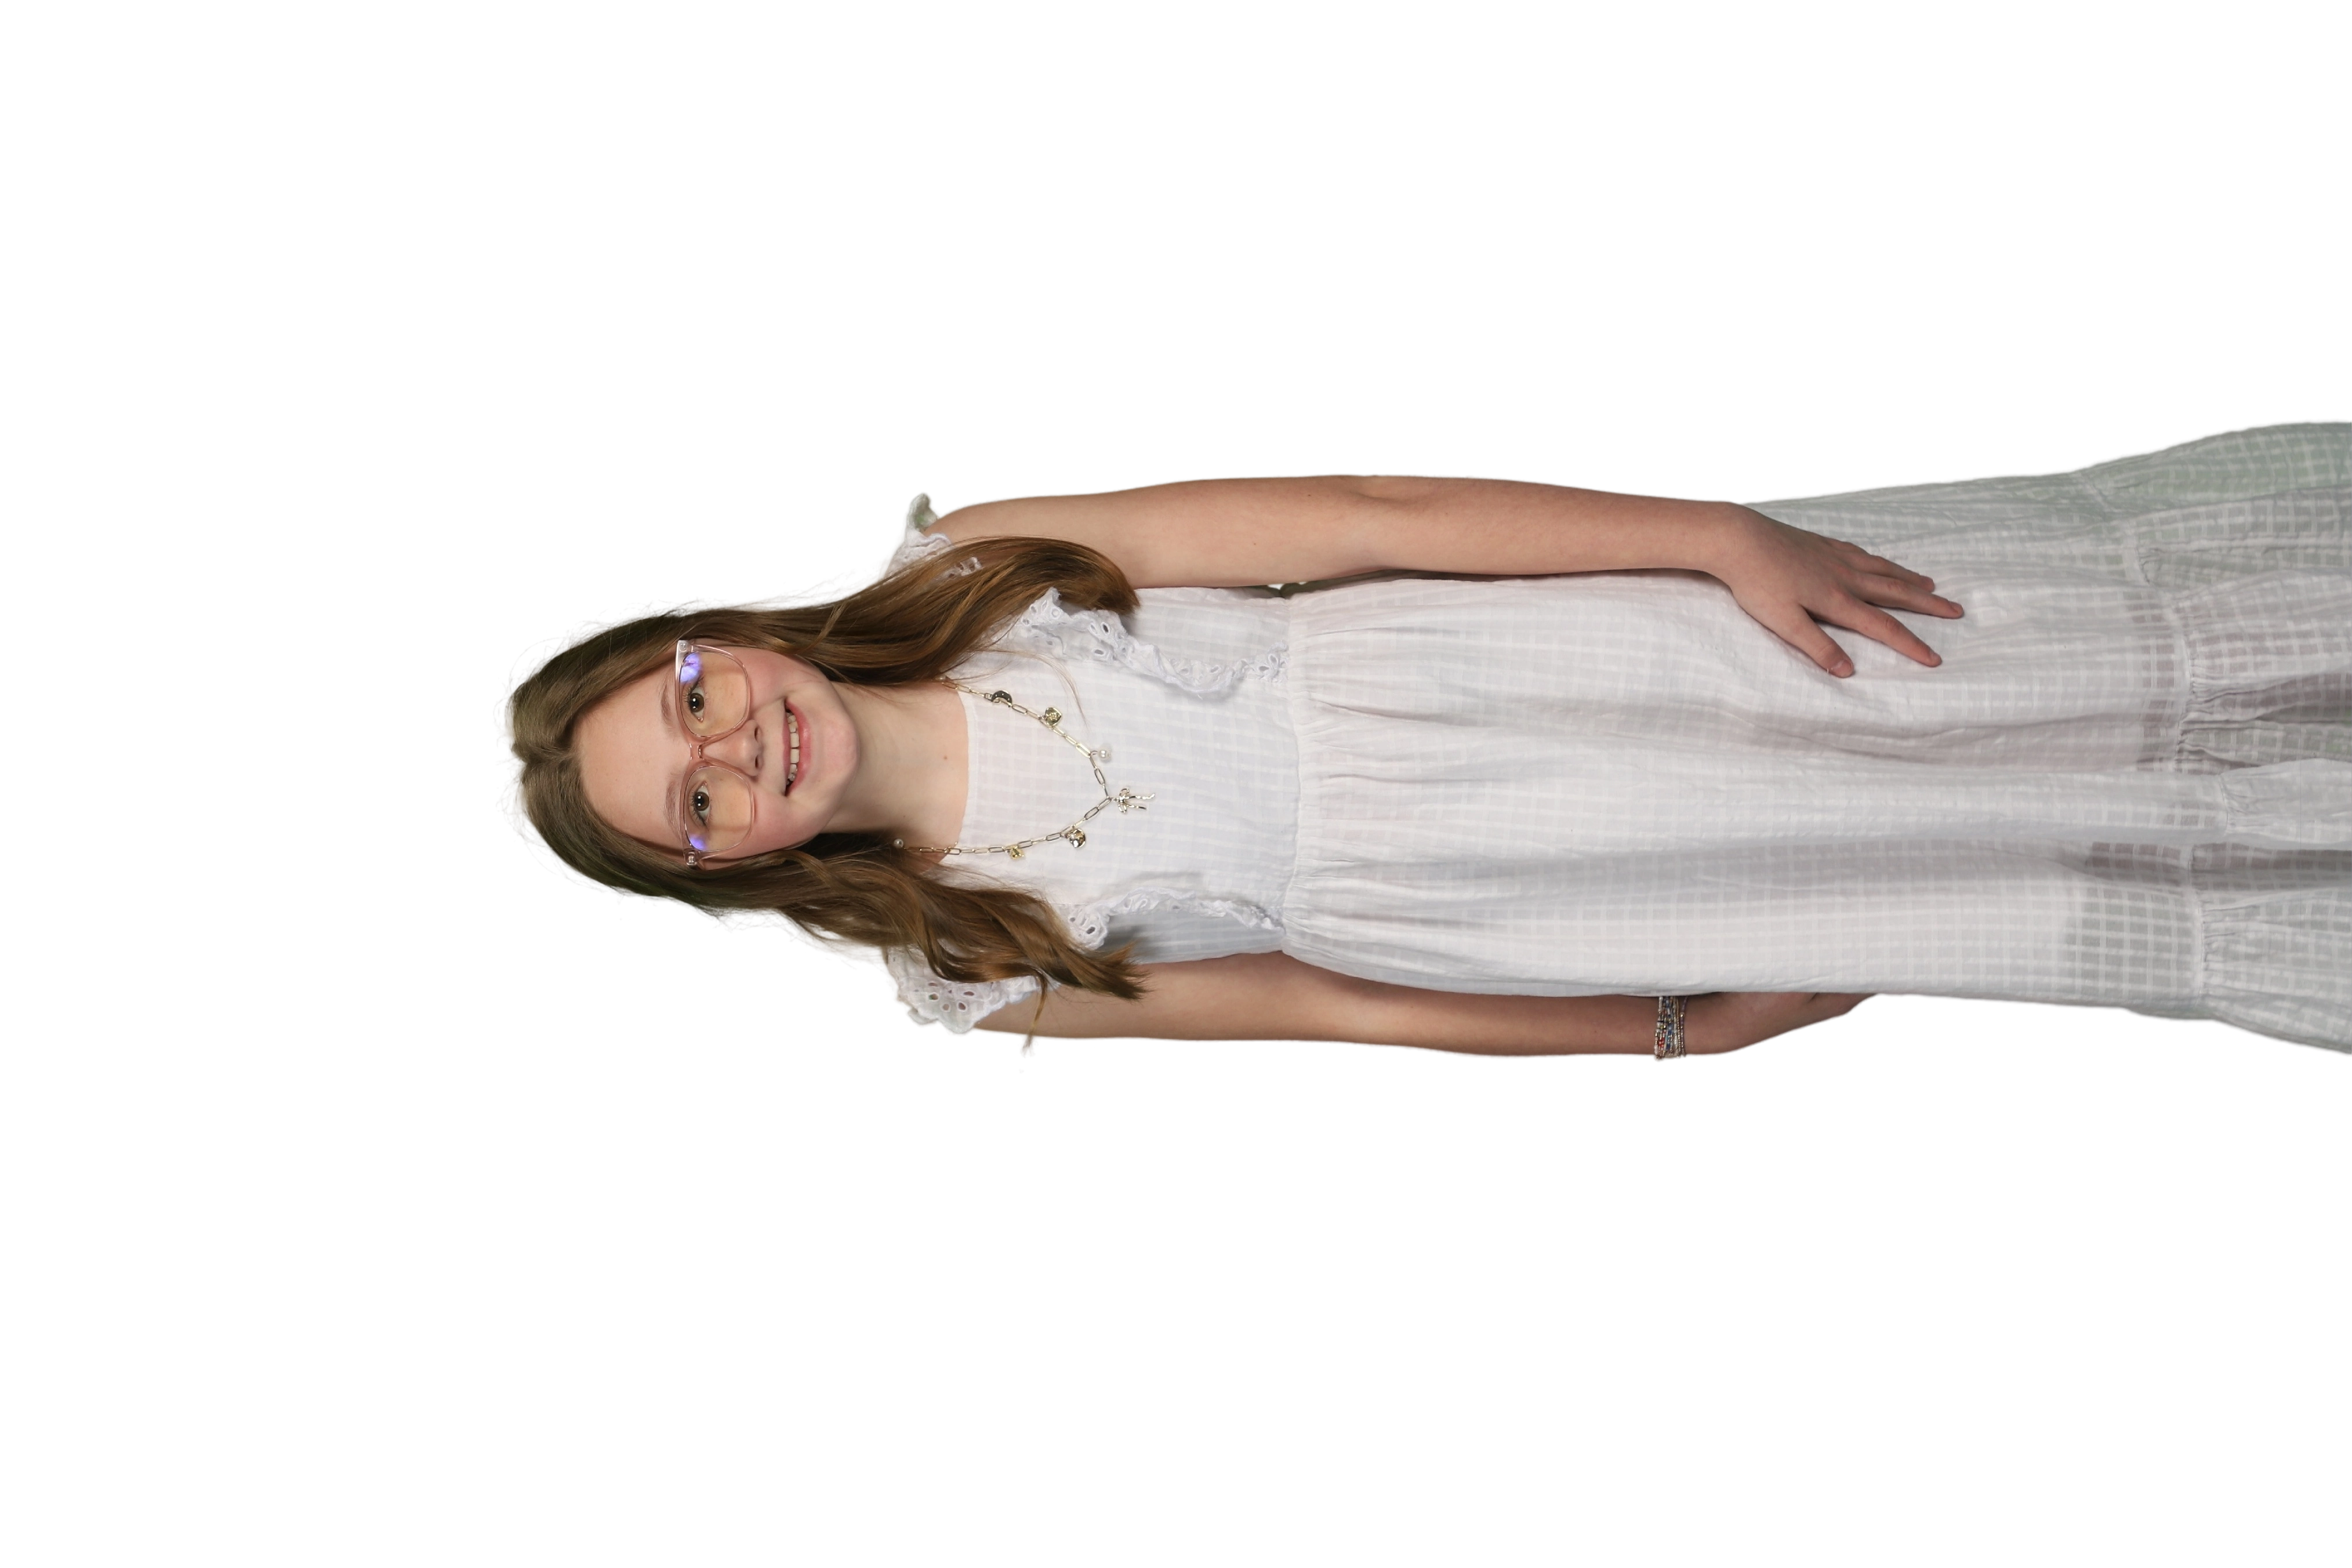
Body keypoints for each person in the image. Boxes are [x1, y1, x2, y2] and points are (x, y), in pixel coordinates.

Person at [489, 419, 2352, 1058]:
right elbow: (1338, 1004)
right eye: (697, 809)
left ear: (719, 634)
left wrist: (1719, 535)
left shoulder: (983, 571)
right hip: (1559, 890)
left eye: (693, 703)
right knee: (2036, 860)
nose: (740, 753)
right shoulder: (972, 967)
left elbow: (1364, 519)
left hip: (1589, 670)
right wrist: (1667, 1029)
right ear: (731, 873)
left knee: (2039, 666)